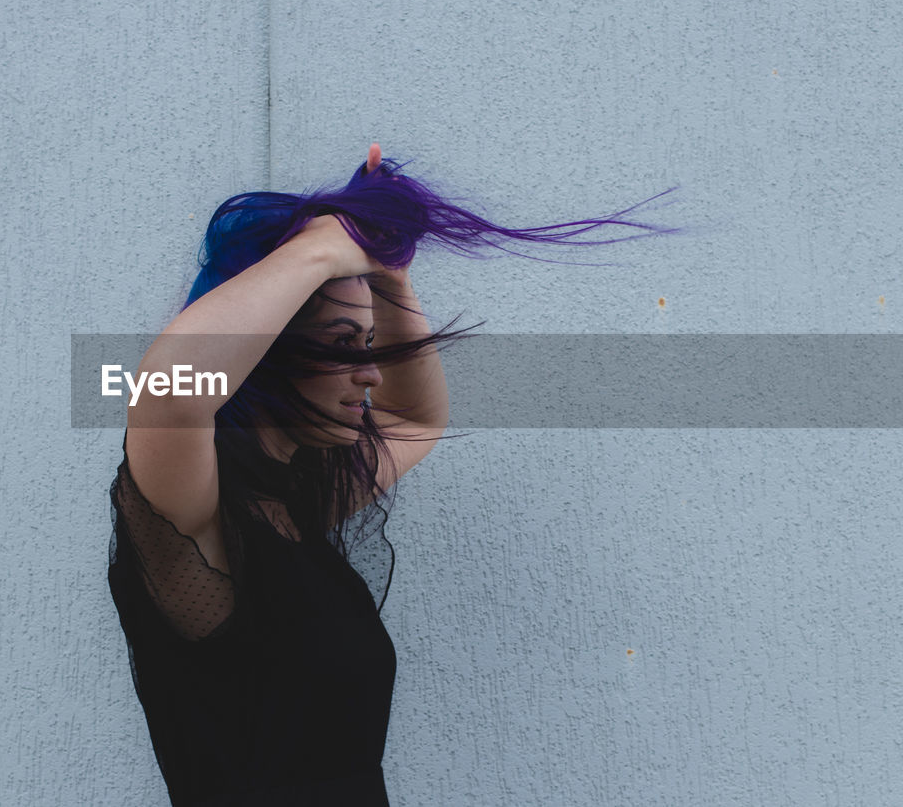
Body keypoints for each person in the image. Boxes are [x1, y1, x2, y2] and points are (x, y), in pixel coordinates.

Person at [107, 144, 670, 805]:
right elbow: (173, 386)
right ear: (268, 351)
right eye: (344, 346)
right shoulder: (197, 519)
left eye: (371, 347)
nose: (371, 372)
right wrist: (325, 245)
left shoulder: (298, 504)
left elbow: (415, 416)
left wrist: (390, 273)